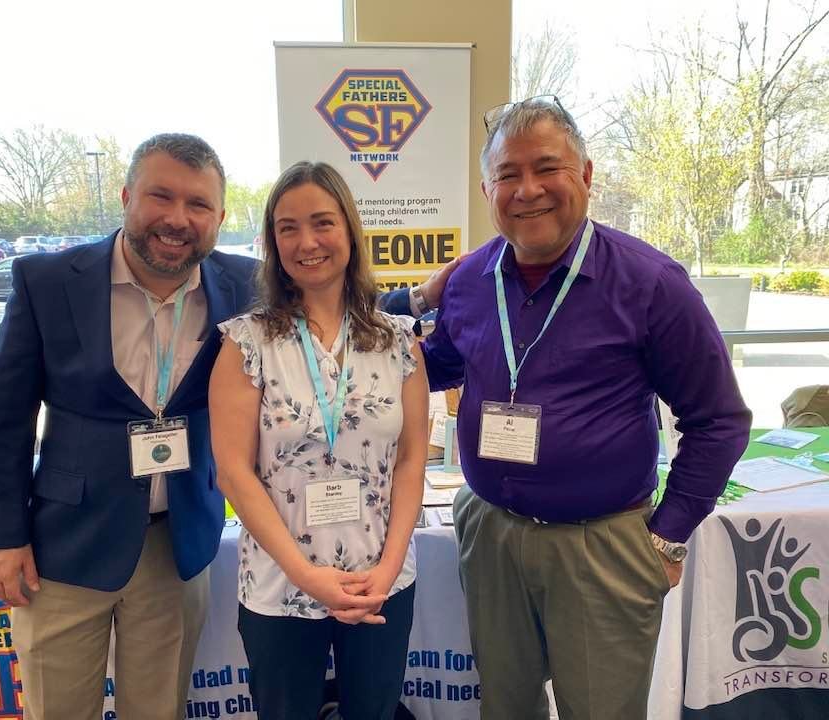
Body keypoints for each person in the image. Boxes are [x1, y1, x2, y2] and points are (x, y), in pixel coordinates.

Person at [382, 96, 752, 719]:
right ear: (486, 188)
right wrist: (400, 313)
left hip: (601, 546)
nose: (527, 190)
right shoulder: (472, 279)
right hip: (492, 533)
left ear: (584, 175)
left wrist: (667, 538)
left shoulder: (651, 284)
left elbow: (718, 421)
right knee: (507, 708)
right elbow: (434, 364)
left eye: (546, 168)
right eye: (507, 175)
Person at [0, 133, 258, 720]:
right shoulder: (48, 282)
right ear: (127, 196)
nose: (177, 219)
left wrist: (423, 296)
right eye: (161, 196)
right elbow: (5, 422)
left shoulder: (245, 286)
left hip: (175, 544)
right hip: (63, 548)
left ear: (220, 217)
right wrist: (5, 536)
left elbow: (337, 301)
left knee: (158, 710)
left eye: (199, 205)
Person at [209, 161, 429, 720]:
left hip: (379, 580)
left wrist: (388, 567)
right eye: (287, 227)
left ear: (350, 232)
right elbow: (234, 473)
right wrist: (308, 578)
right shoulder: (246, 343)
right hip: (280, 586)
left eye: (322, 223)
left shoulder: (398, 341)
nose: (306, 241)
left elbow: (409, 462)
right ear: (272, 241)